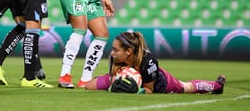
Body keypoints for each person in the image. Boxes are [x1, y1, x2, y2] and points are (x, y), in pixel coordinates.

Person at [85, 31, 226, 94]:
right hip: (127, 80)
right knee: (89, 86)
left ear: (128, 51)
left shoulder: (148, 61)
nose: (112, 52)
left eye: (116, 50)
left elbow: (149, 90)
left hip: (161, 84)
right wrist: (114, 84)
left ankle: (217, 85)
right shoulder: (114, 58)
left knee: (187, 87)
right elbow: (111, 79)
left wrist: (136, 90)